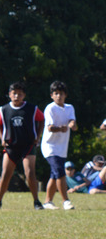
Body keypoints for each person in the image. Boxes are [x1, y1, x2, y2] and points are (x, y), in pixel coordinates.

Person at [0, 81, 44, 210]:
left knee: (29, 173)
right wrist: (2, 138)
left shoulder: (32, 109)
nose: (17, 96)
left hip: (28, 145)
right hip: (11, 146)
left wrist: (38, 136)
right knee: (6, 173)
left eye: (20, 94)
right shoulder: (4, 109)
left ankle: (36, 202)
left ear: (24, 95)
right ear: (9, 94)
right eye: (14, 94)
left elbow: (41, 120)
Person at [40, 81, 78, 210]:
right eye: (56, 94)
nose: (59, 96)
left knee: (54, 174)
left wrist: (73, 124)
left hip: (62, 147)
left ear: (65, 95)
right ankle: (65, 201)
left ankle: (47, 202)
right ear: (51, 95)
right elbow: (50, 127)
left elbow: (73, 122)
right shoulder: (50, 108)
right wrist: (61, 128)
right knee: (60, 173)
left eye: (61, 94)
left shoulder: (69, 108)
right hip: (50, 146)